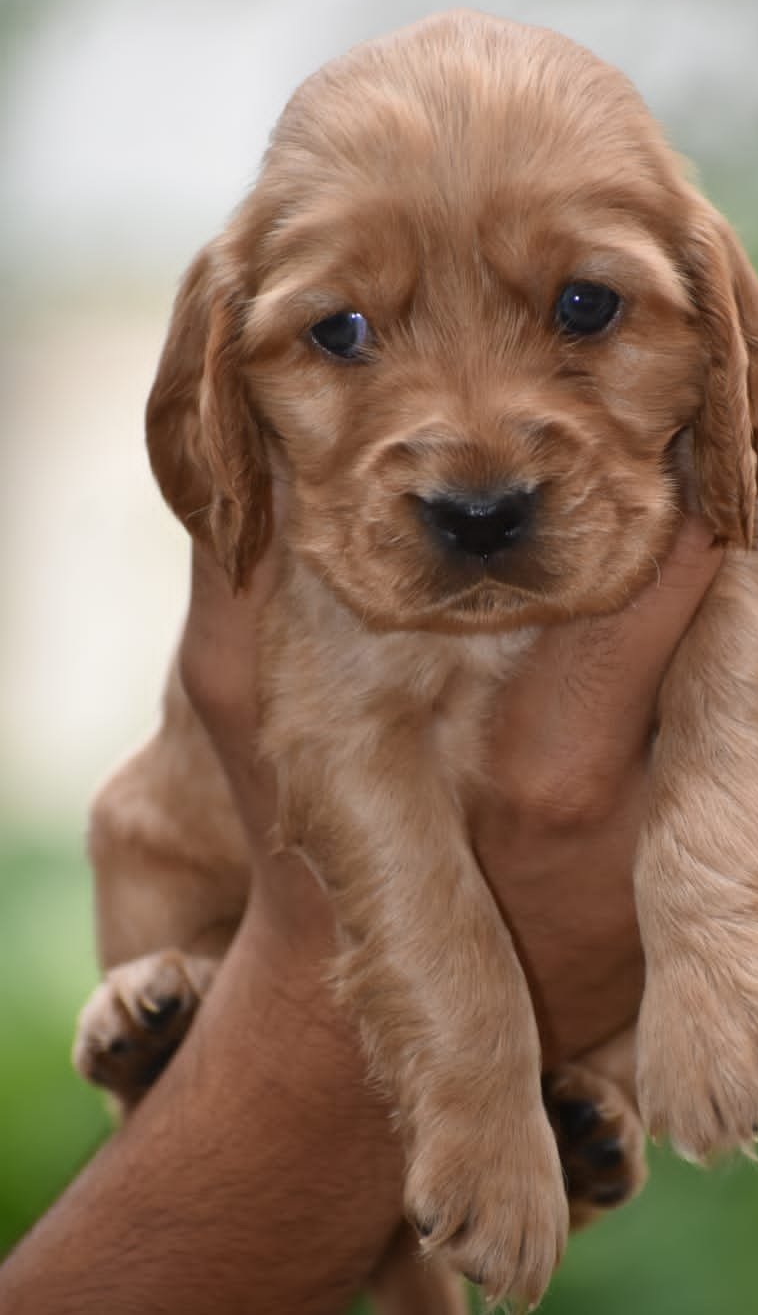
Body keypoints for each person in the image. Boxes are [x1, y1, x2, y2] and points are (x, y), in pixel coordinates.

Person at [0, 516, 720, 1314]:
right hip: (257, 896)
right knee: (140, 834)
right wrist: (325, 1055)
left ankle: (572, 1106)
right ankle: (203, 1019)